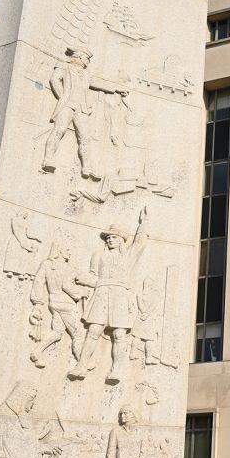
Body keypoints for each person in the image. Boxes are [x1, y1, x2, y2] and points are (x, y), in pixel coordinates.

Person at [68, 207, 149, 384]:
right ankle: (82, 365)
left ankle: (117, 369)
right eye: (109, 237)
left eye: (114, 237)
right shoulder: (98, 255)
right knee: (93, 330)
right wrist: (83, 279)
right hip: (102, 293)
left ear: (121, 240)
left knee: (119, 334)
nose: (111, 240)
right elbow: (94, 277)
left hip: (120, 295)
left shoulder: (128, 256)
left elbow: (139, 243)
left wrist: (144, 223)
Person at [41, 48, 128, 180]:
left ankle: (86, 167)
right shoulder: (64, 65)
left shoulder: (86, 74)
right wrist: (63, 97)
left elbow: (96, 83)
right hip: (68, 105)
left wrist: (116, 88)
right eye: (87, 58)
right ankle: (48, 160)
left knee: (85, 138)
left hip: (82, 108)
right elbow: (54, 80)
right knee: (59, 130)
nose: (87, 61)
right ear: (80, 57)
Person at [29, 242, 89, 367]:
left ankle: (37, 351)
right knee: (77, 334)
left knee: (57, 332)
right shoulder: (69, 269)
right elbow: (75, 284)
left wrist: (38, 303)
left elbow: (38, 282)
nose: (69, 252)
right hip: (67, 304)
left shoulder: (47, 265)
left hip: (54, 302)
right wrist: (82, 291)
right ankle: (82, 362)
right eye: (67, 249)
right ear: (60, 251)